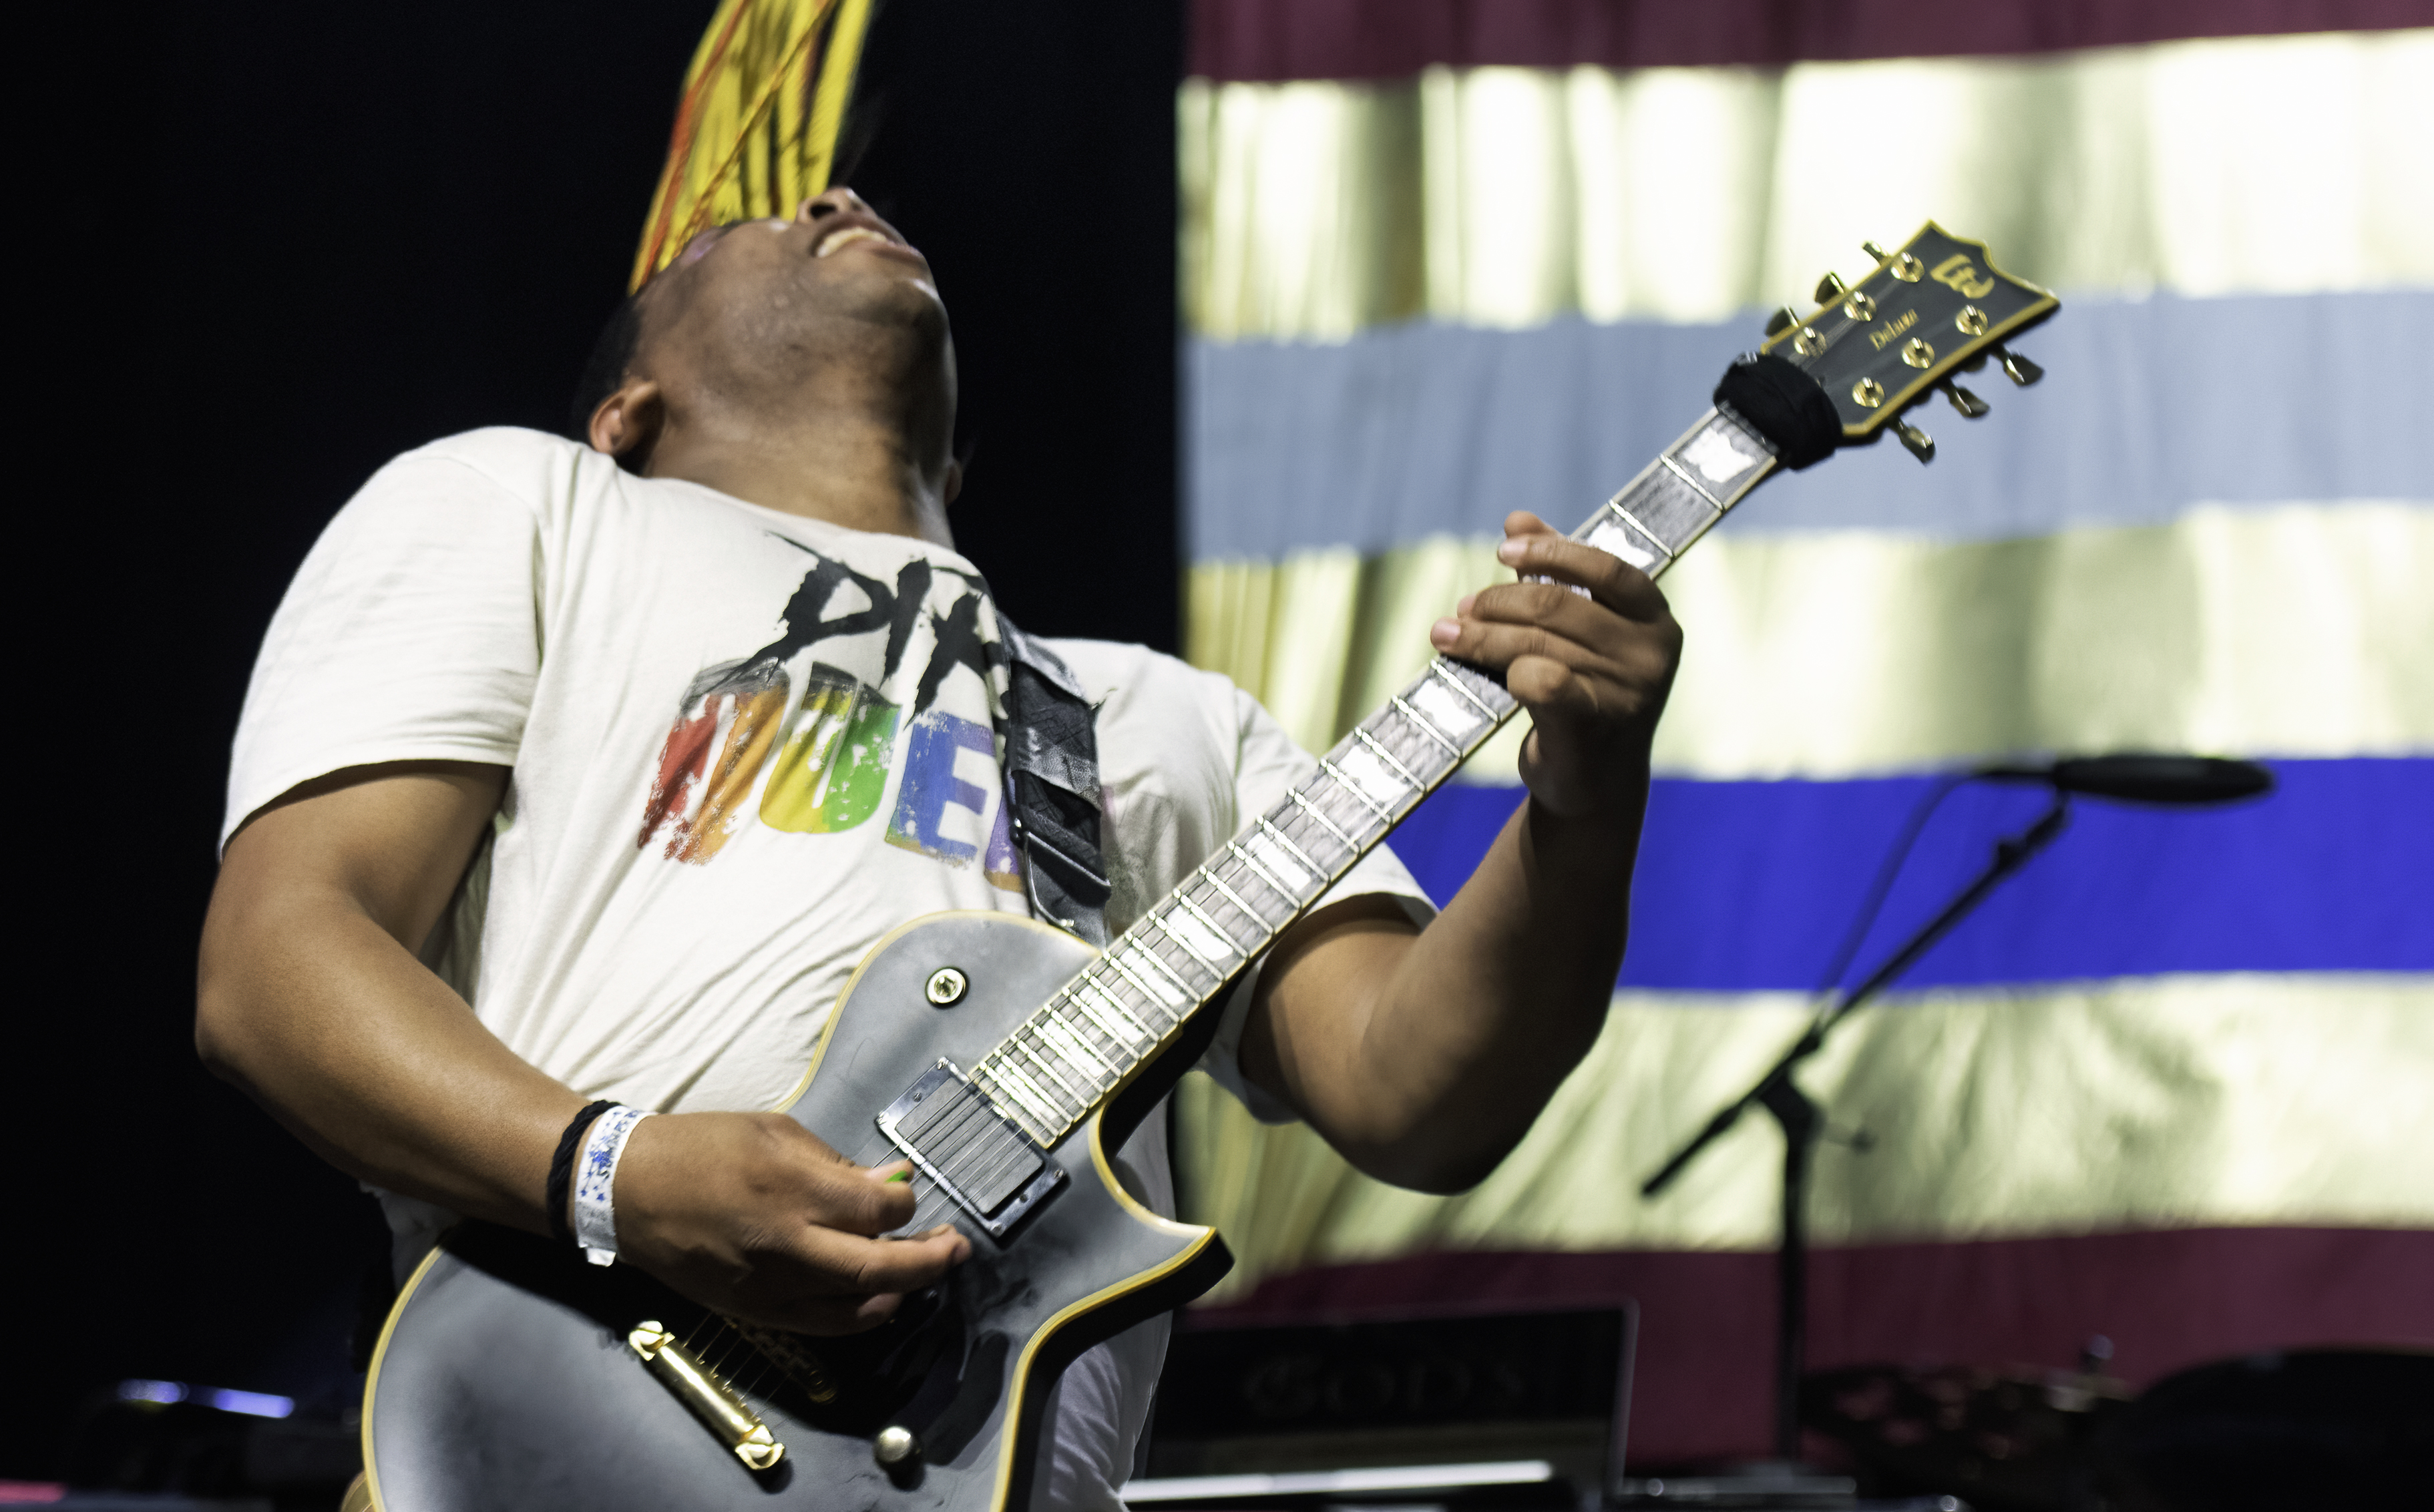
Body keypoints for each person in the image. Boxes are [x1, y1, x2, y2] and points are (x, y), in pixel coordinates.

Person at [196, 186, 1682, 1508]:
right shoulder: (528, 505)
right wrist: (619, 1174)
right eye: (735, 229)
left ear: (957, 468)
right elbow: (277, 961)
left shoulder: (1159, 714)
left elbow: (1415, 1095)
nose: (837, 193)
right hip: (571, 1427)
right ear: (626, 413)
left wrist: (1590, 794)